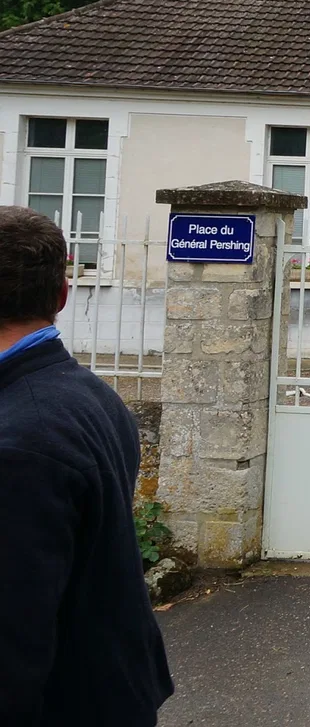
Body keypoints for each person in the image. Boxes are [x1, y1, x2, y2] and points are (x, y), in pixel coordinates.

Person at [0, 206, 173, 724]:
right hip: (113, 688)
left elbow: (12, 638)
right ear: (62, 295)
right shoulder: (93, 396)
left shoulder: (17, 441)